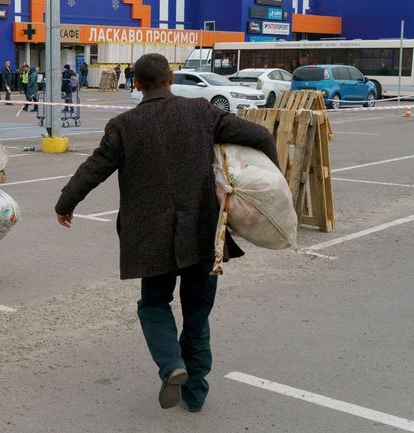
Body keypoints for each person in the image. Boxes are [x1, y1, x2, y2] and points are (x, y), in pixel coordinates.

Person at [54, 53, 277, 412]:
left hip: (150, 237)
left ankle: (172, 364)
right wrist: (271, 183)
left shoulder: (124, 125)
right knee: (197, 313)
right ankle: (196, 393)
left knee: (154, 304)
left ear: (136, 83)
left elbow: (95, 167)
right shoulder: (202, 112)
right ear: (171, 78)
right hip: (203, 233)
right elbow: (261, 135)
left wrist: (66, 203)